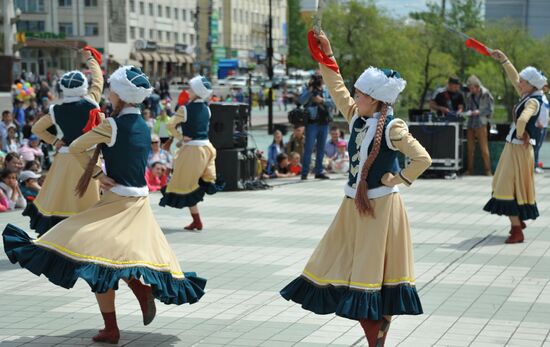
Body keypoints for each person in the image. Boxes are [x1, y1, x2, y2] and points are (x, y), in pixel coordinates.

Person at [3, 65, 206, 345]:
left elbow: (75, 147)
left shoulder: (111, 125)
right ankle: (134, 294)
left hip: (117, 202)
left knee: (87, 254)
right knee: (108, 261)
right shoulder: (144, 126)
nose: (108, 93)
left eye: (112, 90)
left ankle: (113, 325)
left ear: (120, 95)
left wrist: (98, 174)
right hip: (140, 203)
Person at [281, 31, 431, 347]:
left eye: (360, 93)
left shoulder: (392, 127)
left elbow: (422, 158)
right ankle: (377, 337)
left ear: (375, 99)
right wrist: (328, 55)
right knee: (337, 264)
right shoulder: (356, 118)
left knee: (368, 277)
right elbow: (336, 88)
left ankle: (375, 338)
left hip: (379, 210)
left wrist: (399, 179)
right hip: (353, 206)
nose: (354, 96)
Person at [22, 49, 102, 236]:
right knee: (87, 201)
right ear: (83, 87)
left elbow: (36, 128)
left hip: (65, 158)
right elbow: (98, 79)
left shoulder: (56, 110)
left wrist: (55, 141)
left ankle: (60, 237)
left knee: (62, 199)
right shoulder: (91, 102)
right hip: (88, 156)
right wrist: (90, 58)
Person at [484, 50, 546, 244]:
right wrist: (504, 60)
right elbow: (514, 78)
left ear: (531, 84)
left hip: (518, 149)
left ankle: (517, 229)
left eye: (523, 81)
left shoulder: (533, 101)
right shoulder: (531, 95)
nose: (519, 83)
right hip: (516, 149)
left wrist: (521, 133)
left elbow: (523, 119)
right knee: (510, 186)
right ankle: (516, 224)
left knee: (506, 187)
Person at [160, 76, 224, 231]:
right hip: (207, 148)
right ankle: (197, 221)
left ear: (196, 91)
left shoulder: (185, 109)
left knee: (185, 186)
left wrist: (181, 137)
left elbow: (169, 125)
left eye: (190, 88)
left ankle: (197, 221)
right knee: (193, 185)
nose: (187, 90)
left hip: (192, 151)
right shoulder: (207, 109)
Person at [299, 73, 334, 180]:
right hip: (312, 123)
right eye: (317, 78)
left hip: (324, 123)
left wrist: (322, 100)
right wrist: (309, 92)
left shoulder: (326, 90)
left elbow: (333, 103)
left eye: (320, 78)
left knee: (321, 148)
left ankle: (319, 171)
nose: (319, 80)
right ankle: (304, 173)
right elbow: (301, 101)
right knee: (309, 148)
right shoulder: (308, 89)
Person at [464, 75, 494, 175]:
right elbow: (468, 107)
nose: (470, 89)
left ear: (477, 86)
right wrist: (468, 112)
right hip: (471, 123)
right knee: (469, 149)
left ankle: (488, 170)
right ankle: (470, 170)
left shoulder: (486, 94)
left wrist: (478, 112)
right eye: (469, 88)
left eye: (472, 87)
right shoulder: (469, 96)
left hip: (481, 123)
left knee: (484, 149)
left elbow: (490, 109)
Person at [534, 84, 548, 174]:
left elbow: (545, 109)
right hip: (538, 126)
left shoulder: (544, 96)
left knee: (538, 146)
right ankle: (534, 166)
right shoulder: (536, 95)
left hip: (545, 125)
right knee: (536, 146)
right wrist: (538, 121)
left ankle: (536, 165)